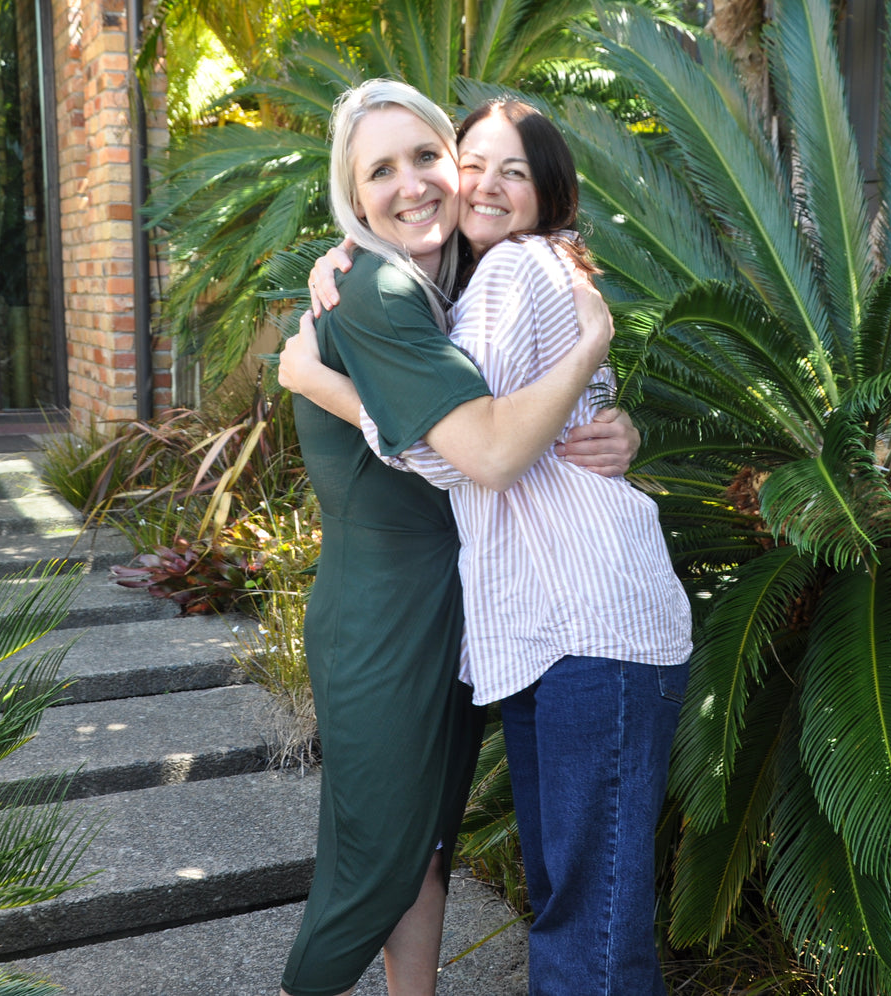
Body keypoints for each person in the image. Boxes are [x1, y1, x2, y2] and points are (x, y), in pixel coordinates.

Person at [284, 96, 693, 996]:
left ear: (549, 191)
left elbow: (490, 447)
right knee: (543, 900)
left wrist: (316, 377)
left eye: (512, 170)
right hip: (501, 625)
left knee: (565, 911)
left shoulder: (503, 276)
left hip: (564, 620)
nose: (472, 184)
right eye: (475, 163)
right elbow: (496, 440)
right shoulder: (433, 290)